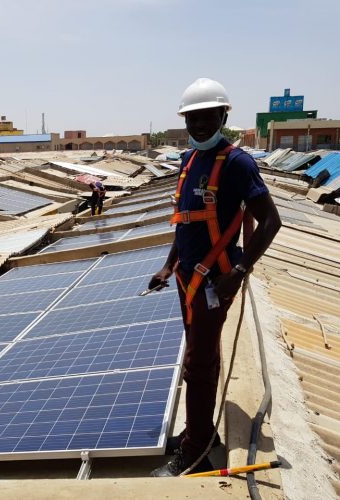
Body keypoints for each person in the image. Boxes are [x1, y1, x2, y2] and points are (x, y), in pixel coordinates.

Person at [149, 78, 281, 477]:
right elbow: (185, 221)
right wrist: (169, 265)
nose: (200, 125)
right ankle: (202, 432)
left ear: (223, 116)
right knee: (201, 358)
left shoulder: (237, 163)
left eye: (208, 117)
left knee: (197, 363)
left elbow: (271, 222)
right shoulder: (189, 160)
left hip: (215, 279)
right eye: (193, 118)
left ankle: (195, 452)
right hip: (186, 278)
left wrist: (239, 272)